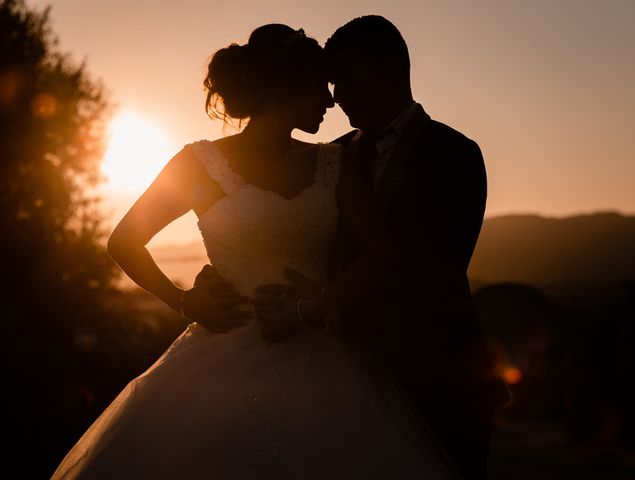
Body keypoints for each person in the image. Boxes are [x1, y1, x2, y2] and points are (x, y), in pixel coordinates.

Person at [51, 24, 461, 479]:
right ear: (285, 86)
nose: (330, 101)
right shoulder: (197, 163)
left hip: (325, 361)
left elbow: (379, 253)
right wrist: (184, 300)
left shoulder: (335, 162)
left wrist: (312, 308)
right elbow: (124, 241)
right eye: (319, 87)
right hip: (218, 357)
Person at [321, 15, 512, 480]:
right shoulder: (333, 157)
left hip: (438, 377)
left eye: (347, 78)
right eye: (331, 82)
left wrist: (325, 305)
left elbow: (434, 267)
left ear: (389, 70)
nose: (335, 95)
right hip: (344, 376)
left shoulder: (455, 153)